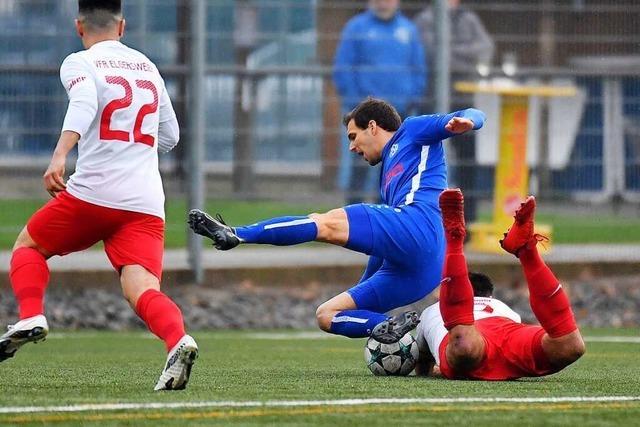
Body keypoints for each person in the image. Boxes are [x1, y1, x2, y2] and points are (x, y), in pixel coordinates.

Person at [0, 0, 197, 391]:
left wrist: (60, 155)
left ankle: (31, 316)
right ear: (122, 27)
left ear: (79, 27)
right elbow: (171, 137)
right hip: (144, 201)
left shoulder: (79, 62)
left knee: (29, 246)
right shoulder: (148, 66)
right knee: (141, 289)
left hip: (95, 192)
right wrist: (131, 148)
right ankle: (179, 341)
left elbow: (86, 101)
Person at [189, 98, 485, 344]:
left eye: (353, 137)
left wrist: (468, 123)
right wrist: (361, 292)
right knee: (328, 314)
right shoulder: (386, 179)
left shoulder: (412, 130)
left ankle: (237, 234)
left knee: (325, 223)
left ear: (372, 126)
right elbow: (383, 247)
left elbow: (473, 113)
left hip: (419, 225)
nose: (352, 148)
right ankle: (402, 334)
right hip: (420, 266)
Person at [415, 189, 585, 380]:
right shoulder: (499, 306)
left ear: (445, 296)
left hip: (477, 341)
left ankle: (454, 239)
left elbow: (421, 364)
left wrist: (431, 369)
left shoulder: (431, 311)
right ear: (489, 295)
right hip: (508, 336)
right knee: (570, 346)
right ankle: (526, 250)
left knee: (464, 347)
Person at [334, 0, 427, 204]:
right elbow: (343, 69)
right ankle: (353, 220)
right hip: (365, 117)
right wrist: (357, 107)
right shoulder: (356, 28)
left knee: (393, 170)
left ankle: (385, 220)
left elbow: (418, 69)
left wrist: (412, 98)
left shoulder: (408, 30)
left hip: (398, 115)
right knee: (359, 168)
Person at [414, 0, 494, 223]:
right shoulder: (425, 19)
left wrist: (450, 51)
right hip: (432, 103)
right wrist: (464, 56)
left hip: (463, 101)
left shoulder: (468, 18)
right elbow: (432, 54)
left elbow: (485, 48)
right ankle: (428, 219)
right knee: (430, 163)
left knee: (468, 163)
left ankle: (467, 221)